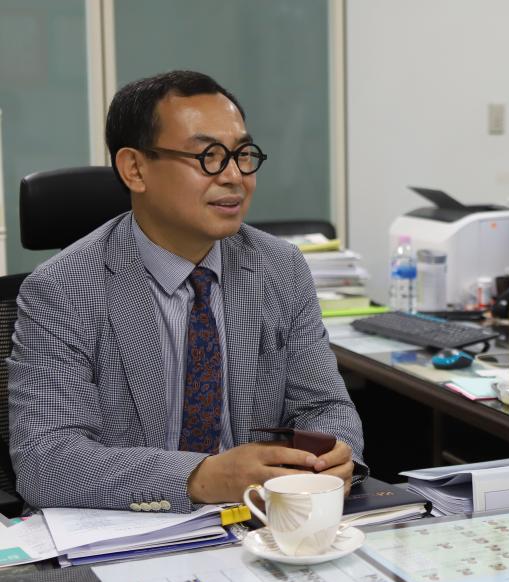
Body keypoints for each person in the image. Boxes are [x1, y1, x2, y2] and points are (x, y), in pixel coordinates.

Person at [8, 70, 366, 513]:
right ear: (135, 169)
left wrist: (335, 456)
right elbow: (47, 461)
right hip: (131, 533)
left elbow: (325, 405)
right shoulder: (63, 289)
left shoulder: (280, 268)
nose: (235, 176)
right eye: (209, 157)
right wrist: (200, 478)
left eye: (243, 154)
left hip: (262, 524)